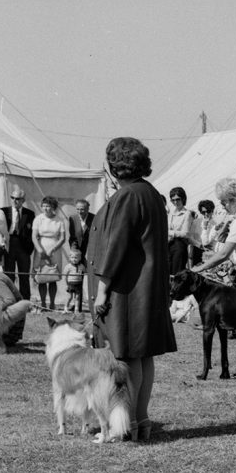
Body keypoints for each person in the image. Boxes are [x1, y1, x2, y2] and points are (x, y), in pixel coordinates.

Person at [88, 137, 177, 442]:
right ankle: (140, 421)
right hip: (147, 289)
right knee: (143, 356)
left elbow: (115, 248)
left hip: (128, 290)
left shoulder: (127, 196)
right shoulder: (150, 193)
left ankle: (127, 425)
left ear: (113, 165)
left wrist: (101, 291)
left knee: (126, 358)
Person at [32, 196, 66, 311]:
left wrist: (53, 249)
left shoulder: (59, 220)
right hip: (40, 248)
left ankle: (52, 303)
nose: (46, 208)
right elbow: (34, 236)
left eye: (48, 206)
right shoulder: (38, 219)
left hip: (54, 250)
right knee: (41, 276)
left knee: (52, 276)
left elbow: (62, 238)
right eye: (44, 206)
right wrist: (40, 250)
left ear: (53, 207)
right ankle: (42, 303)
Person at [2, 185, 35, 300]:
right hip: (9, 244)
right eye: (12, 198)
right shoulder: (4, 211)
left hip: (24, 247)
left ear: (23, 200)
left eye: (17, 199)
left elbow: (32, 232)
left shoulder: (29, 213)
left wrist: (30, 248)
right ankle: (9, 298)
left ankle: (25, 299)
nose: (14, 201)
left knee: (24, 275)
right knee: (9, 274)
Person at [166, 187, 193, 275]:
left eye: (178, 199)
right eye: (173, 200)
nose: (175, 202)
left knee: (176, 273)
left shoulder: (187, 213)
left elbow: (185, 233)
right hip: (168, 245)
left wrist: (171, 233)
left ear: (183, 199)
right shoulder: (171, 213)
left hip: (179, 246)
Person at [63, 248, 86, 313]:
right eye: (72, 257)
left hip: (78, 284)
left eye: (76, 257)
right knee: (69, 297)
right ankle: (65, 308)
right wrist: (66, 285)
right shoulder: (68, 266)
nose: (74, 259)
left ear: (80, 258)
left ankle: (76, 309)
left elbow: (85, 272)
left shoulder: (82, 266)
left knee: (77, 297)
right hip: (70, 284)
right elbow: (65, 276)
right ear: (69, 258)